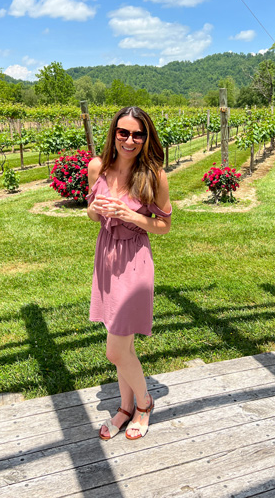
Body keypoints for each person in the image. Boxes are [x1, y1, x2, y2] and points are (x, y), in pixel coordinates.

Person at [86, 106, 172, 441]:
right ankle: (124, 407)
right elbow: (92, 216)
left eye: (138, 134)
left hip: (135, 258)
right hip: (106, 257)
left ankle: (145, 403)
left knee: (115, 350)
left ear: (146, 137)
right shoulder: (98, 168)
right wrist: (94, 209)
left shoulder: (154, 176)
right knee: (123, 343)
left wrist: (130, 215)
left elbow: (164, 226)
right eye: (123, 132)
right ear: (114, 134)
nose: (130, 140)